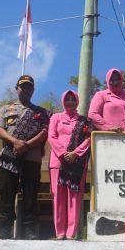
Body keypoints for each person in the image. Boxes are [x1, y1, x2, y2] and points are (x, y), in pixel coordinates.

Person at [0, 75, 50, 240]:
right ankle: (4, 230)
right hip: (10, 157)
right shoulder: (5, 109)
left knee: (31, 194)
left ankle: (30, 230)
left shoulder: (41, 112)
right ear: (16, 88)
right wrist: (15, 142)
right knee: (6, 193)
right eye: (22, 86)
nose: (25, 89)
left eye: (28, 87)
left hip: (31, 158)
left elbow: (44, 132)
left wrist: (27, 145)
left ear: (33, 90)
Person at [48, 90, 91, 240]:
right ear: (63, 101)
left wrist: (76, 153)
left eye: (73, 99)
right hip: (58, 163)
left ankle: (71, 233)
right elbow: (51, 137)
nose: (70, 102)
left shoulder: (84, 121)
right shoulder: (56, 117)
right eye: (68, 99)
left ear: (77, 101)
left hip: (77, 163)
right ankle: (60, 232)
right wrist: (64, 153)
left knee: (74, 197)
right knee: (58, 197)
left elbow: (88, 139)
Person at [88, 68, 125, 132]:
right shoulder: (101, 95)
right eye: (112, 80)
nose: (115, 82)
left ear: (122, 80)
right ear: (108, 81)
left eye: (118, 79)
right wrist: (108, 127)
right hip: (109, 138)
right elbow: (92, 114)